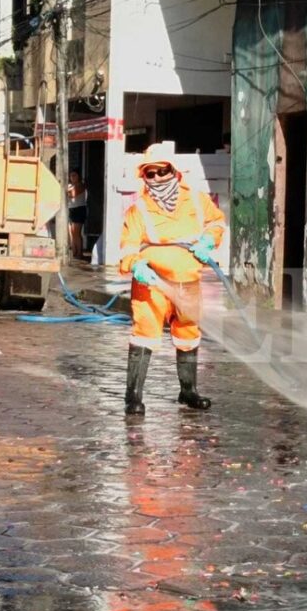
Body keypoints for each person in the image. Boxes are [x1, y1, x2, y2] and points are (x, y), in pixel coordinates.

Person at [119, 143, 226, 415]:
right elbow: (128, 246)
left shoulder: (197, 201)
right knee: (144, 335)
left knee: (188, 334)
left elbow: (216, 222)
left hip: (187, 281)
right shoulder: (139, 210)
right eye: (150, 173)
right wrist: (136, 265)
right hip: (151, 284)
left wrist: (208, 241)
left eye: (162, 171)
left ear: (174, 172)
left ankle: (188, 391)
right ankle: (133, 397)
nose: (156, 178)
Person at [67, 169, 87, 260]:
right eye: (71, 175)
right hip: (70, 209)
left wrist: (67, 192)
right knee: (71, 232)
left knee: (76, 232)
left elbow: (73, 194)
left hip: (79, 209)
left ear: (78, 176)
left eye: (74, 175)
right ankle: (74, 251)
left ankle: (79, 253)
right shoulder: (69, 185)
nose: (72, 177)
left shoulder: (81, 185)